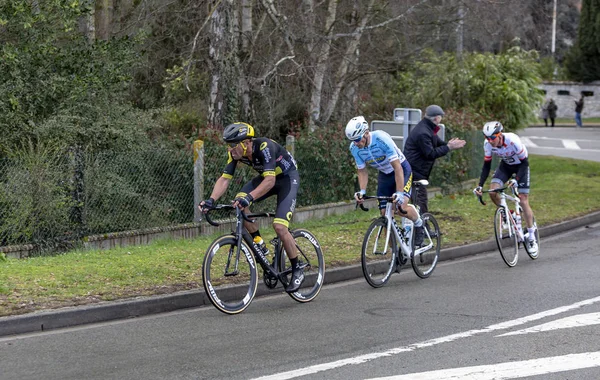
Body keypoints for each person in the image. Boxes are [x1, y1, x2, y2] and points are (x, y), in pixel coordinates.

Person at [198, 122, 304, 293]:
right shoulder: (235, 154)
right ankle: (259, 243)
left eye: (233, 145)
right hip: (268, 178)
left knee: (279, 226)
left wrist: (251, 197)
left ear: (247, 142)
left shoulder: (264, 147)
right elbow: (224, 179)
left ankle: (297, 267)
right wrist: (211, 200)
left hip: (287, 179)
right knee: (239, 202)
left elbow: (270, 181)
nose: (230, 150)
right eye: (228, 145)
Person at [346, 116, 426, 246]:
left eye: (357, 140)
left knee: (401, 207)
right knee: (385, 215)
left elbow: (397, 167)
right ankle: (395, 254)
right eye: (352, 141)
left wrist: (399, 193)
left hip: (401, 170)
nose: (356, 143)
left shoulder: (381, 139)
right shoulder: (354, 148)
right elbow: (362, 171)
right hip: (384, 174)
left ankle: (419, 224)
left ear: (366, 133)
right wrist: (362, 191)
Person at [473, 121, 538, 253]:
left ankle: (531, 236)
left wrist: (516, 179)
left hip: (521, 167)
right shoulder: (488, 144)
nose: (490, 141)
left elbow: (525, 164)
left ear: (499, 134)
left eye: (492, 138)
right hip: (505, 167)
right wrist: (480, 185)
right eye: (486, 138)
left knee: (523, 199)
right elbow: (486, 166)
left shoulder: (513, 140)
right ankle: (510, 214)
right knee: (493, 191)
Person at [402, 105, 466, 215]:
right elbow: (430, 154)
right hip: (415, 171)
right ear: (436, 118)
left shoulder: (427, 128)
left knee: (419, 201)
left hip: (417, 170)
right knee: (420, 201)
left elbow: (438, 143)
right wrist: (449, 147)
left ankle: (421, 228)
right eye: (441, 117)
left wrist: (449, 144)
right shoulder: (423, 132)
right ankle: (422, 229)